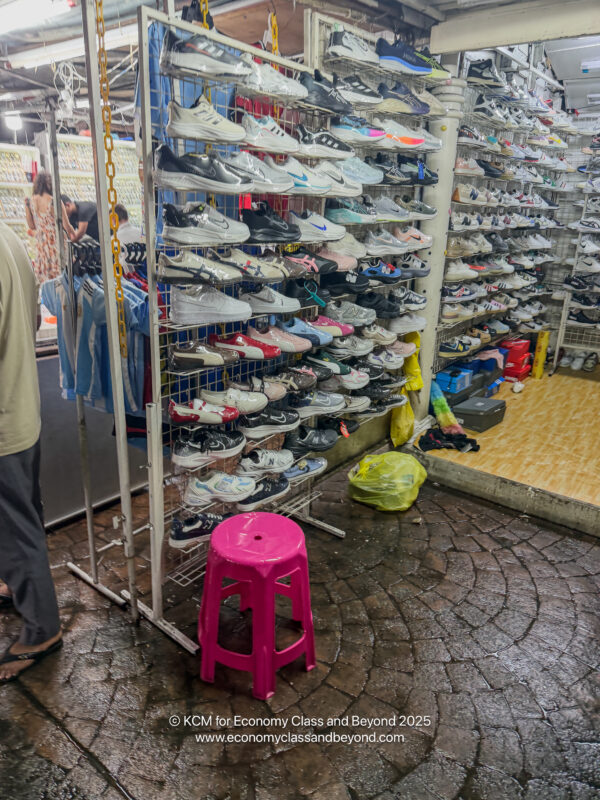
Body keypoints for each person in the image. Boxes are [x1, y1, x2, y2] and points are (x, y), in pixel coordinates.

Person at [0, 221, 62, 684]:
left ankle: (41, 629)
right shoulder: (9, 237)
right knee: (22, 520)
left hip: (4, 424)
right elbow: (36, 319)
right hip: (20, 407)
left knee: (16, 530)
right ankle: (12, 585)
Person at [24, 171, 73, 282]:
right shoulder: (54, 201)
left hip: (42, 244)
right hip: (55, 242)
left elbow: (32, 226)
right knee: (60, 278)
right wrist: (75, 235)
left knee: (46, 279)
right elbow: (66, 226)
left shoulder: (30, 201)